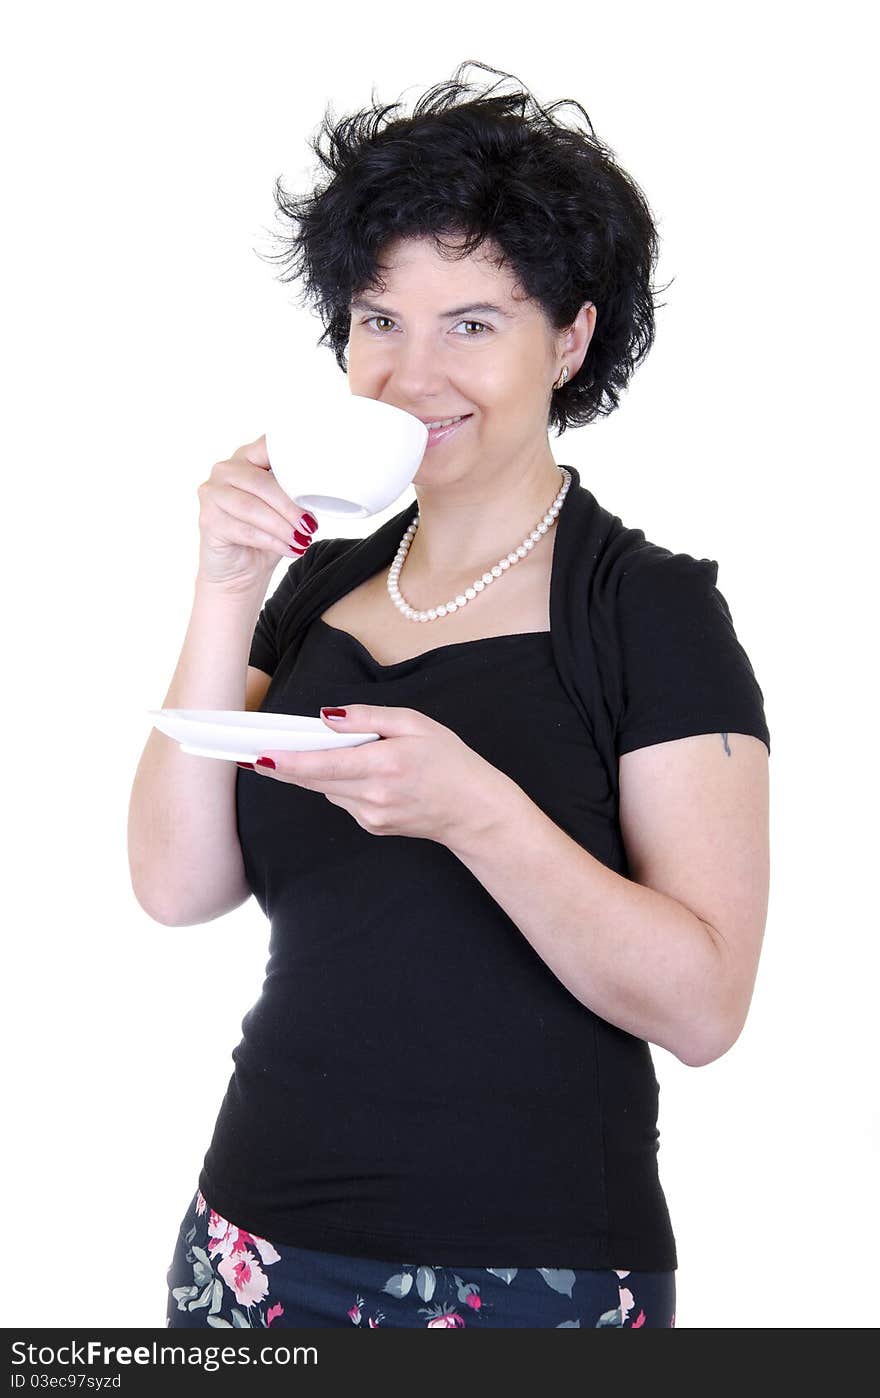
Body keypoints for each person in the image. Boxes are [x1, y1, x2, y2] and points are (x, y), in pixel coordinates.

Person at [129, 61, 771, 1330]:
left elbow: (703, 1010)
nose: (412, 376)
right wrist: (225, 583)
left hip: (530, 1276)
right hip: (246, 1245)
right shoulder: (317, 593)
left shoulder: (647, 611)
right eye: (380, 321)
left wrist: (473, 809)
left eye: (472, 324)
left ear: (571, 336)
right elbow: (173, 887)